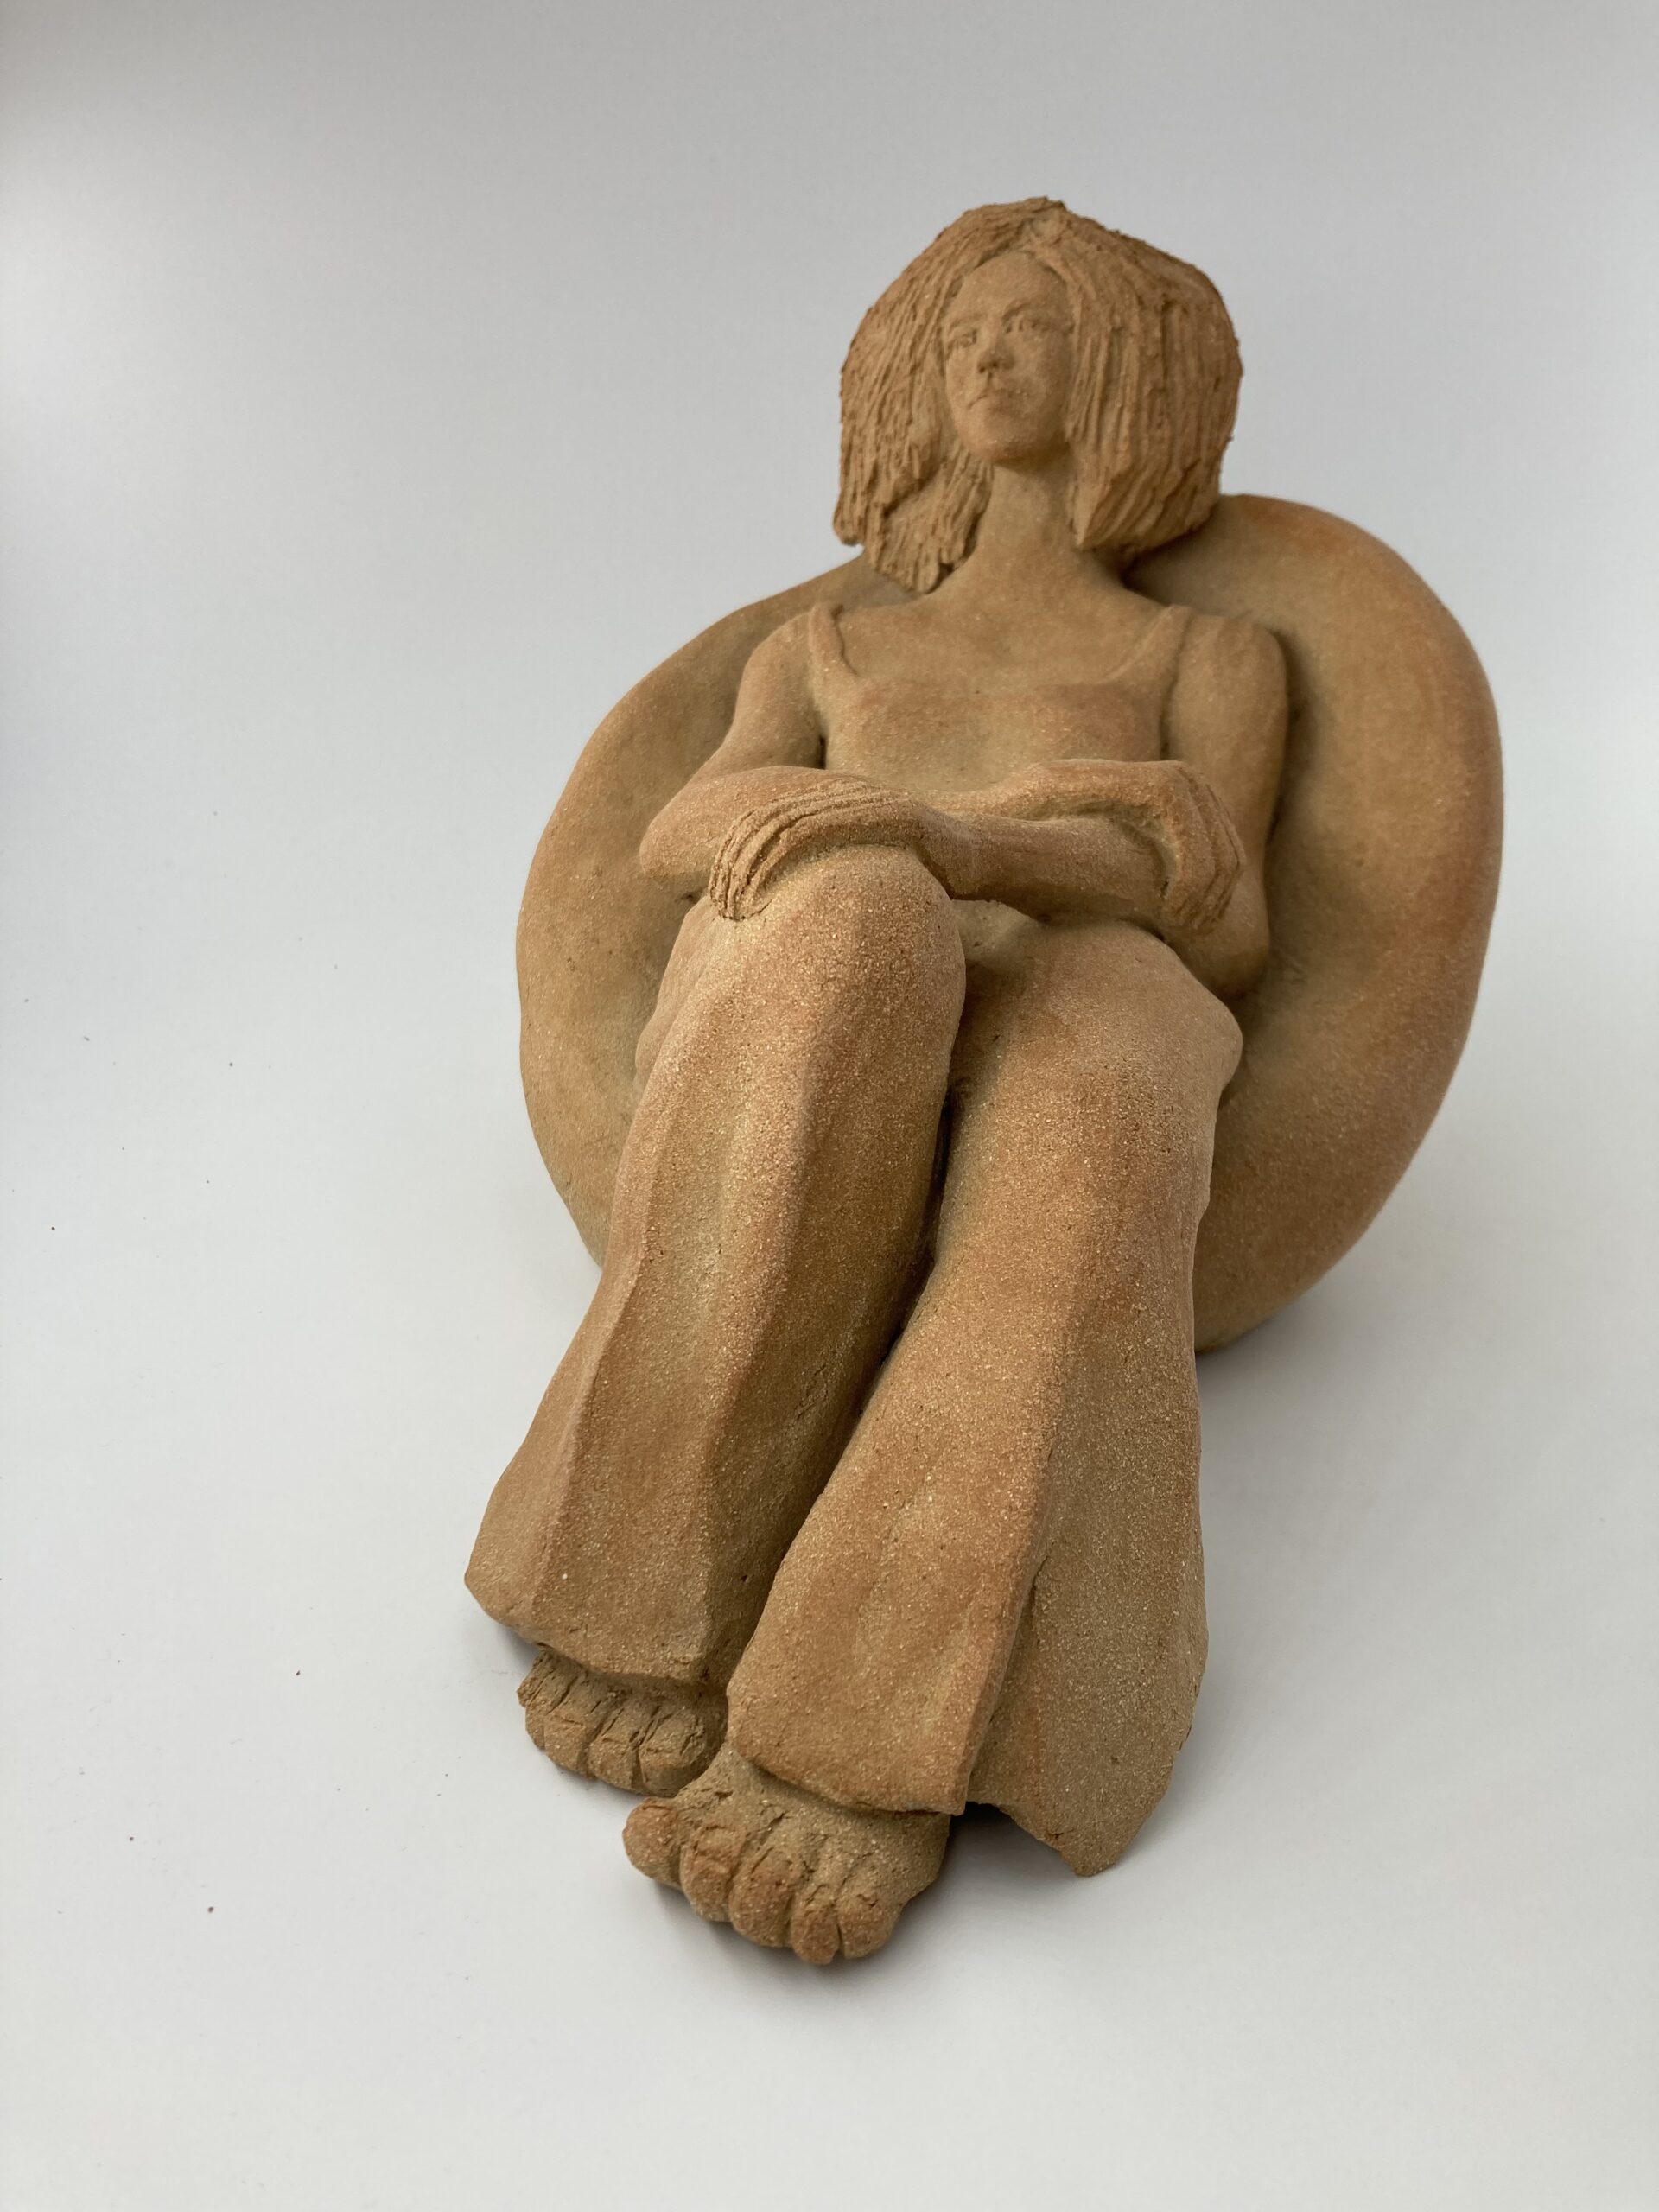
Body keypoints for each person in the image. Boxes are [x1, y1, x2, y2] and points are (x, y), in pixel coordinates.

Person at [467, 199, 1287, 1962]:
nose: (989, 356)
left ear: (1122, 375)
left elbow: (1214, 910)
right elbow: (688, 825)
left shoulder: (1203, 659)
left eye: (1033, 327)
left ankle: (880, 1719)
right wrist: (863, 842)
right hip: (827, 984)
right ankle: (651, 1567)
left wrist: (964, 837)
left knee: (1102, 1073)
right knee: (852, 925)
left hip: (1081, 978)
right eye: (962, 332)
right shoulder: (827, 651)